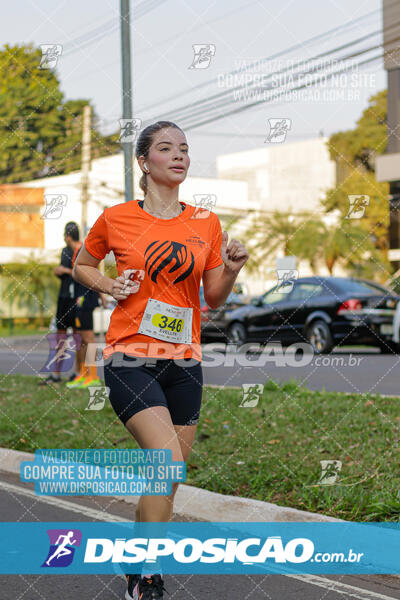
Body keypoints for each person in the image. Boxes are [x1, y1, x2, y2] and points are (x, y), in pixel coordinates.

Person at [72, 120, 249, 599]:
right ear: (143, 162)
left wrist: (230, 270)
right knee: (167, 461)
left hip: (185, 362)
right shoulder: (116, 217)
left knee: (165, 478)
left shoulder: (205, 223)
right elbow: (82, 264)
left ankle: (135, 563)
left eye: (185, 149)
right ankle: (148, 576)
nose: (179, 156)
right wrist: (110, 286)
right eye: (167, 148)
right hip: (130, 356)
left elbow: (212, 297)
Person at [65, 222, 108, 389]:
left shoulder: (85, 249)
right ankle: (84, 375)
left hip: (86, 299)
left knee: (89, 339)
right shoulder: (79, 249)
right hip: (79, 299)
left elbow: (93, 274)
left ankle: (94, 376)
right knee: (82, 339)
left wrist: (101, 295)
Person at [38, 223, 77, 385]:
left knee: (78, 337)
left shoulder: (81, 250)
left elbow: (82, 273)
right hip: (63, 298)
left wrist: (66, 270)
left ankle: (78, 373)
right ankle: (56, 374)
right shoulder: (64, 251)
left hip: (75, 299)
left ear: (68, 236)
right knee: (60, 337)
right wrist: (59, 271)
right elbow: (64, 273)